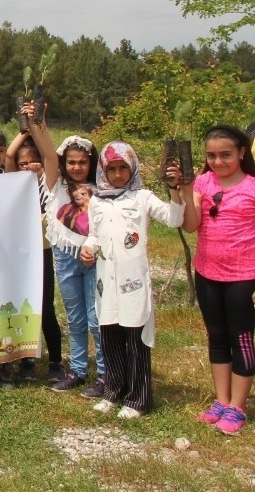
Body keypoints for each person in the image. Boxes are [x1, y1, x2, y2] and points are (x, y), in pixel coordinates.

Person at [81, 141, 185, 419]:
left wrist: (175, 190)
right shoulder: (96, 200)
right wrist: (88, 249)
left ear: (132, 168)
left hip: (133, 281)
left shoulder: (143, 197)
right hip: (106, 281)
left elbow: (174, 219)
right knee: (110, 336)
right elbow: (94, 234)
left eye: (122, 168)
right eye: (111, 168)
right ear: (103, 170)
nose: (117, 174)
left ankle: (138, 399)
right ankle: (113, 391)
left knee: (136, 338)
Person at [25, 102, 106, 397]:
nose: (76, 167)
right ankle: (79, 370)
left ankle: (106, 374)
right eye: (71, 162)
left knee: (96, 317)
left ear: (91, 163)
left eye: (82, 162)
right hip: (64, 256)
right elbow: (47, 152)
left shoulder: (101, 189)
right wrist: (39, 123)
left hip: (95, 258)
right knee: (75, 316)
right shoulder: (55, 183)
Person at [182, 125, 255, 435]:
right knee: (217, 336)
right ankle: (221, 401)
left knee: (242, 339)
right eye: (211, 155)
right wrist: (185, 190)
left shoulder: (252, 187)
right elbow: (190, 225)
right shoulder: (201, 182)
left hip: (244, 276)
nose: (218, 161)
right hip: (207, 272)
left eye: (225, 154)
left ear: (242, 152)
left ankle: (238, 407)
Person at [5, 136, 64, 382]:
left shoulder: (48, 186)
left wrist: (36, 130)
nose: (27, 166)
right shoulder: (12, 185)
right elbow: (9, 156)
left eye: (33, 161)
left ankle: (55, 362)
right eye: (23, 163)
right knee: (22, 306)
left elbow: (52, 158)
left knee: (46, 309)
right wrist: (23, 130)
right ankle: (27, 360)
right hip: (18, 256)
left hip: (42, 254)